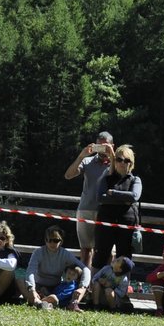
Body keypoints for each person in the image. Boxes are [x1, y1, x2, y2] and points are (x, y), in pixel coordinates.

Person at [64, 131, 115, 259]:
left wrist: (113, 156)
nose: (102, 149)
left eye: (105, 146)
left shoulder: (118, 163)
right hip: (86, 209)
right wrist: (81, 156)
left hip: (108, 211)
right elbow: (68, 175)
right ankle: (87, 279)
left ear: (112, 146)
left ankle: (106, 278)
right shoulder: (87, 160)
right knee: (86, 250)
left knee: (109, 251)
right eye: (99, 146)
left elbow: (120, 177)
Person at [92, 145, 143, 272]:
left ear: (131, 163)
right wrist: (124, 200)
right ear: (114, 161)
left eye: (126, 160)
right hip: (105, 222)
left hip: (127, 223)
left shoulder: (135, 180)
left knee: (125, 259)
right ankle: (93, 289)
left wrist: (112, 193)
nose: (122, 163)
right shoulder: (106, 178)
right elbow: (100, 197)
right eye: (119, 159)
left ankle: (123, 290)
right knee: (100, 256)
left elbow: (134, 196)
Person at [22, 225, 87, 310]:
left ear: (61, 241)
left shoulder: (65, 254)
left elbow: (85, 269)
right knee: (21, 279)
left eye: (56, 240)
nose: (52, 243)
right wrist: (32, 290)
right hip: (38, 286)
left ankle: (73, 304)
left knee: (72, 289)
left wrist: (83, 287)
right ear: (45, 240)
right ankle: (39, 302)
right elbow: (30, 272)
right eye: (49, 240)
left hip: (56, 288)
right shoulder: (38, 252)